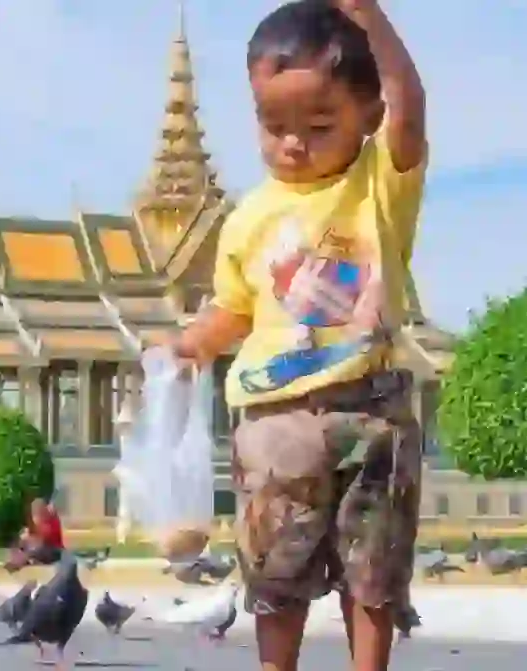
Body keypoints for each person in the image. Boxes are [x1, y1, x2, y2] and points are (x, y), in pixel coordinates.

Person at [166, 1, 427, 670]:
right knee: (276, 578)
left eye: (317, 124)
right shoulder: (248, 217)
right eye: (272, 124)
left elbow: (408, 105)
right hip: (277, 422)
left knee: (374, 571)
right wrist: (195, 342)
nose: (292, 142)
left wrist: (367, 15)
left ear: (366, 117)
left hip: (373, 408)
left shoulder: (377, 185)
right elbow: (235, 309)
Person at [5, 498, 65, 571]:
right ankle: (17, 560)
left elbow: (43, 536)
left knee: (33, 547)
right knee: (24, 543)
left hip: (55, 551)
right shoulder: (42, 522)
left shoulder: (51, 523)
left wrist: (28, 535)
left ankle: (21, 561)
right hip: (44, 550)